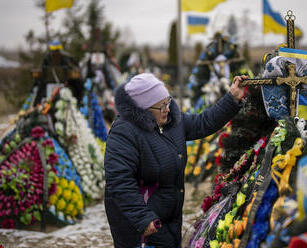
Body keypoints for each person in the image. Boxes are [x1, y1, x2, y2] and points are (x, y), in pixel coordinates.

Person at [104, 73, 248, 248]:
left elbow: (204, 122)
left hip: (168, 218)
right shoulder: (124, 132)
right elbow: (119, 180)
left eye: (168, 102)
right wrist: (142, 218)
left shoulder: (171, 121)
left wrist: (231, 98)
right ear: (144, 108)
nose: (167, 109)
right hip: (141, 225)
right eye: (161, 106)